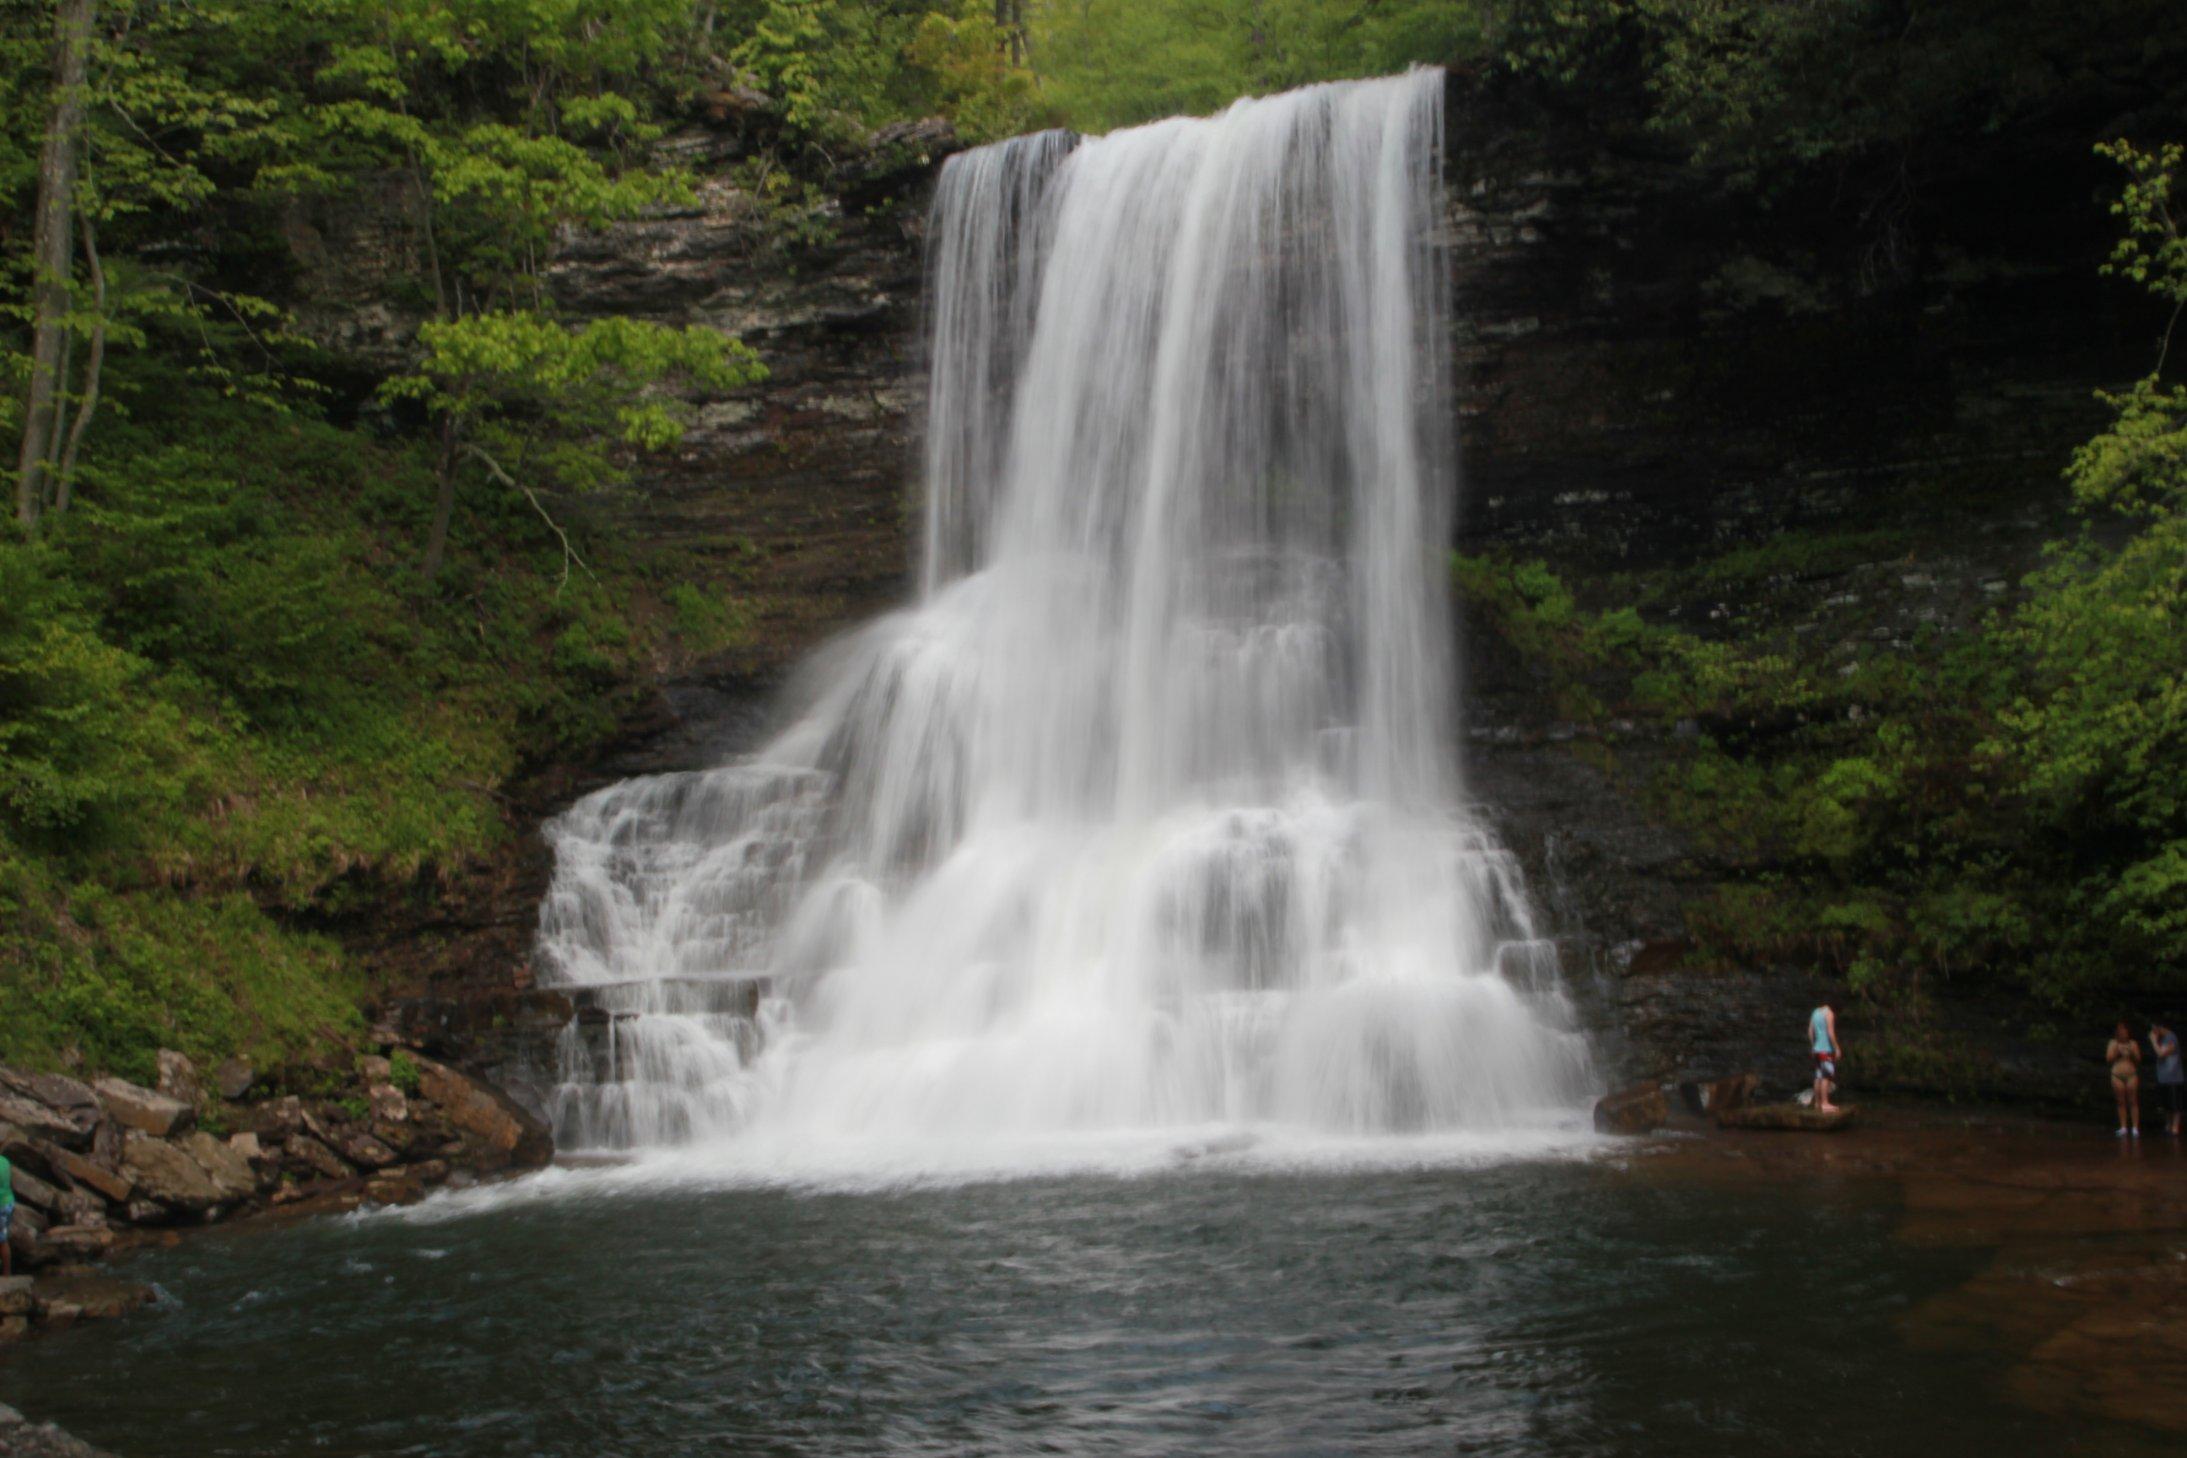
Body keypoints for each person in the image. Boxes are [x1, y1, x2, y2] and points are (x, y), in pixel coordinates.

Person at [2106, 1020, 2141, 1139]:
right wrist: (2117, 1051)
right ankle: (2123, 1126)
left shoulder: (2133, 1043)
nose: (2122, 1033)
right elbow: (2109, 1058)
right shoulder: (2112, 1043)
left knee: (2133, 1100)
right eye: (2120, 1030)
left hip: (2131, 1074)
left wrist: (2131, 1052)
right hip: (2117, 1074)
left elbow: (2138, 1059)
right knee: (2121, 1101)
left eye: (2124, 1030)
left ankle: (2135, 1127)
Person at [2150, 1021, 2184, 1138]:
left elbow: (2161, 1053)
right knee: (2166, 1104)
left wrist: (2153, 1040)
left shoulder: (2171, 1038)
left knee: (2174, 1104)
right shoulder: (2162, 1039)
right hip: (2163, 1077)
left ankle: (2175, 1127)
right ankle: (2168, 1125)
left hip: (2174, 1077)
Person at [1809, 1000, 1841, 1113]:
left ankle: (1817, 1103)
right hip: (1825, 1050)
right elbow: (1830, 1033)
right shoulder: (1829, 1013)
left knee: (1818, 1076)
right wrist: (1836, 1048)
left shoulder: (1815, 1012)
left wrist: (1813, 1046)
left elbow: (1810, 1031)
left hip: (1817, 1049)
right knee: (1825, 1077)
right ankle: (1825, 1103)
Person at [0, 1151, 12, 1278]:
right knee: (3, 1239)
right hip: (8, 1203)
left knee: (2, 1241)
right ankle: (7, 1273)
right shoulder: (5, 1161)